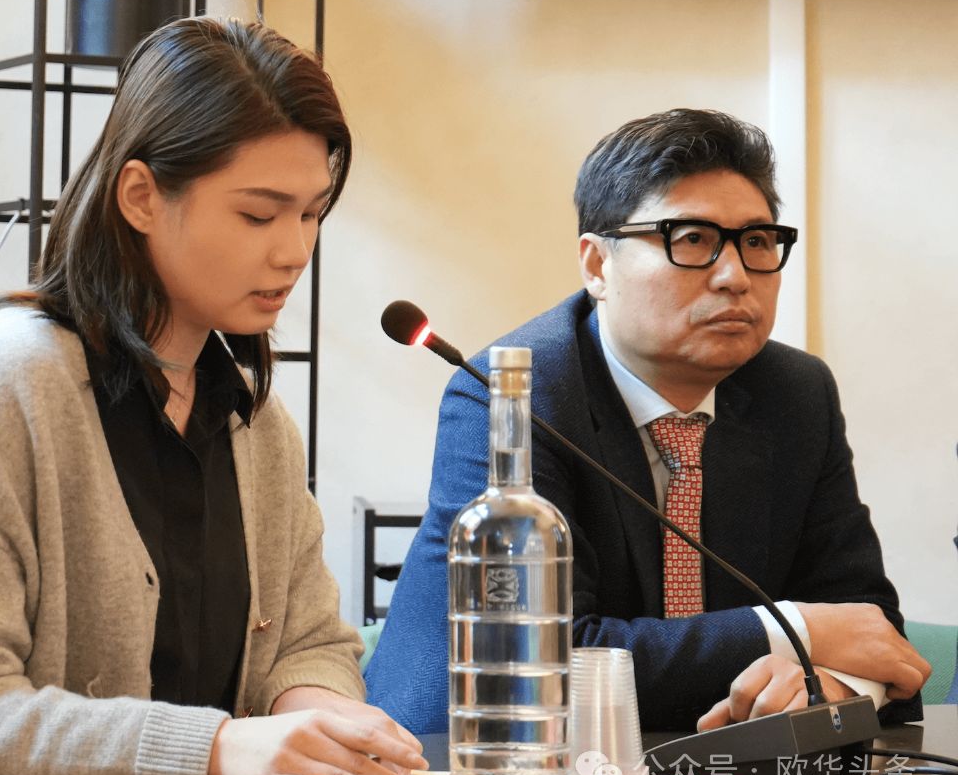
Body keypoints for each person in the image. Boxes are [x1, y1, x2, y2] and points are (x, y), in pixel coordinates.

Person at [0, 17, 426, 775]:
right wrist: (216, 748)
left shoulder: (256, 426)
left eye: (312, 214)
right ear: (141, 196)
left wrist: (318, 717)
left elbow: (309, 641)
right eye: (259, 214)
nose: (294, 251)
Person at [365, 108, 930, 735]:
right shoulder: (513, 396)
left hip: (712, 768)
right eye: (691, 239)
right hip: (470, 760)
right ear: (597, 266)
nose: (734, 276)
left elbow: (867, 623)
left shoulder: (795, 394)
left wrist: (832, 681)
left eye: (757, 242)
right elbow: (532, 664)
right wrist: (795, 632)